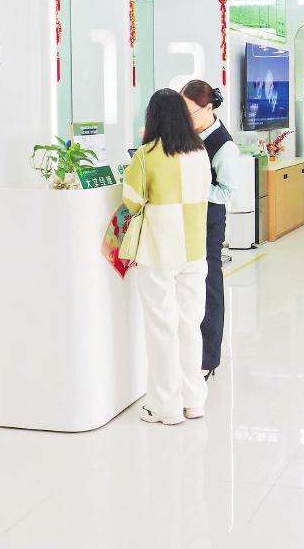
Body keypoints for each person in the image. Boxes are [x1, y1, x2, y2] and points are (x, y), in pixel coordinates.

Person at [123, 89, 211, 425]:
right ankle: (194, 400)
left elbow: (131, 201)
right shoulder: (199, 152)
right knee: (190, 326)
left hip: (160, 250)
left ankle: (166, 406)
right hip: (194, 249)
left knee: (162, 328)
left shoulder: (146, 156)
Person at [181, 79, 240, 377]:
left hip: (209, 219)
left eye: (190, 112)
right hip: (185, 216)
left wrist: (192, 187)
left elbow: (227, 192)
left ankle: (208, 358)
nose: (185, 118)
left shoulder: (224, 146)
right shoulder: (188, 133)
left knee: (209, 285)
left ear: (208, 108)